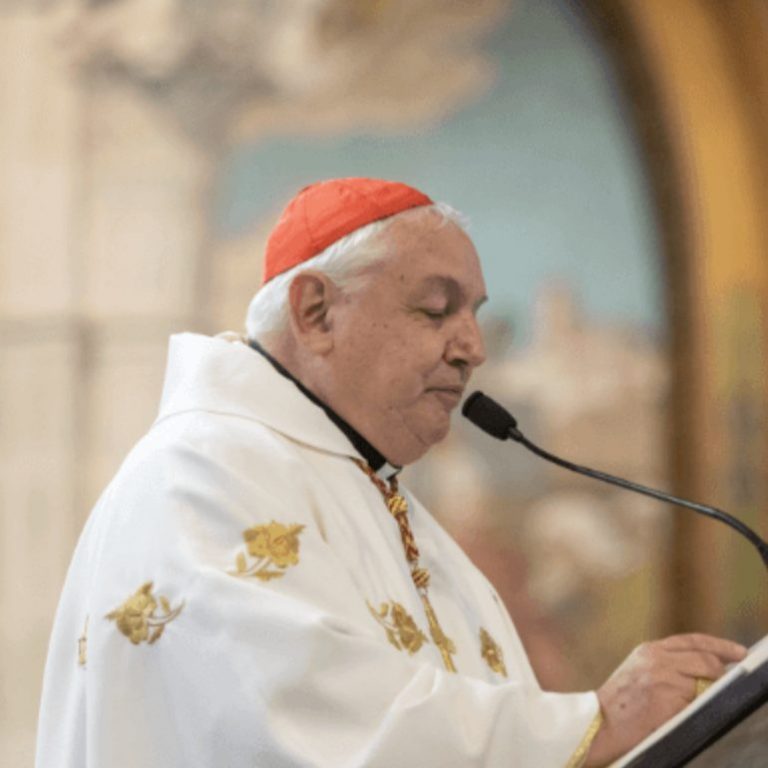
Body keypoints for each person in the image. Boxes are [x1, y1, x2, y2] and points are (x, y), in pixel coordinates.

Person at [36, 178, 746, 767]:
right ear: (315, 312)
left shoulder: (368, 489)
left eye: (474, 314)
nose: (472, 347)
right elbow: (309, 720)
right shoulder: (201, 475)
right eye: (436, 309)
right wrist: (593, 721)